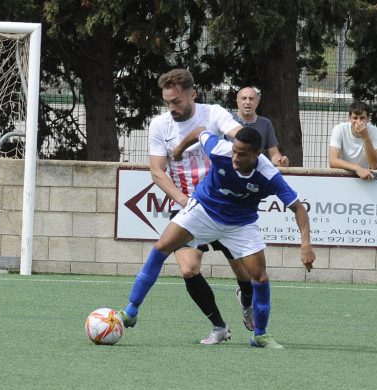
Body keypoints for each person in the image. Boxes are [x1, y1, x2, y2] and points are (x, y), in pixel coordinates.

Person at [119, 126, 316, 349]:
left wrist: (306, 245)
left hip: (240, 224)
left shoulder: (269, 175)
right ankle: (131, 311)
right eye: (234, 151)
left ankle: (260, 335)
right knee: (161, 248)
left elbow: (299, 209)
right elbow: (200, 131)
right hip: (203, 210)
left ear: (257, 154)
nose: (235, 157)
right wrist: (179, 149)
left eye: (242, 154)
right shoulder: (219, 150)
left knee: (259, 277)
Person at [148, 68, 254, 345]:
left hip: (221, 204)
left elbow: (238, 134)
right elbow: (158, 171)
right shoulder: (159, 125)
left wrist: (244, 144)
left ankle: (246, 297)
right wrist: (183, 200)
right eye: (167, 102)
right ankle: (219, 327)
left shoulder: (213, 113)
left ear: (192, 94)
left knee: (246, 273)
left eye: (177, 101)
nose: (171, 108)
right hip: (187, 207)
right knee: (188, 269)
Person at [232, 87, 289, 167]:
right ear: (237, 102)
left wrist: (280, 161)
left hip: (257, 172)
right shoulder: (228, 120)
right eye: (244, 98)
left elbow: (273, 153)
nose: (248, 102)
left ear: (257, 102)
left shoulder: (266, 123)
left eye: (251, 99)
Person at [329, 101, 377, 180]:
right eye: (355, 118)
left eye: (362, 118)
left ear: (368, 119)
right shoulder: (339, 129)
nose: (358, 122)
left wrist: (366, 137)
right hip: (344, 176)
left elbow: (374, 165)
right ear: (349, 118)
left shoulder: (374, 131)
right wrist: (357, 168)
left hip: (365, 177)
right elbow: (333, 161)